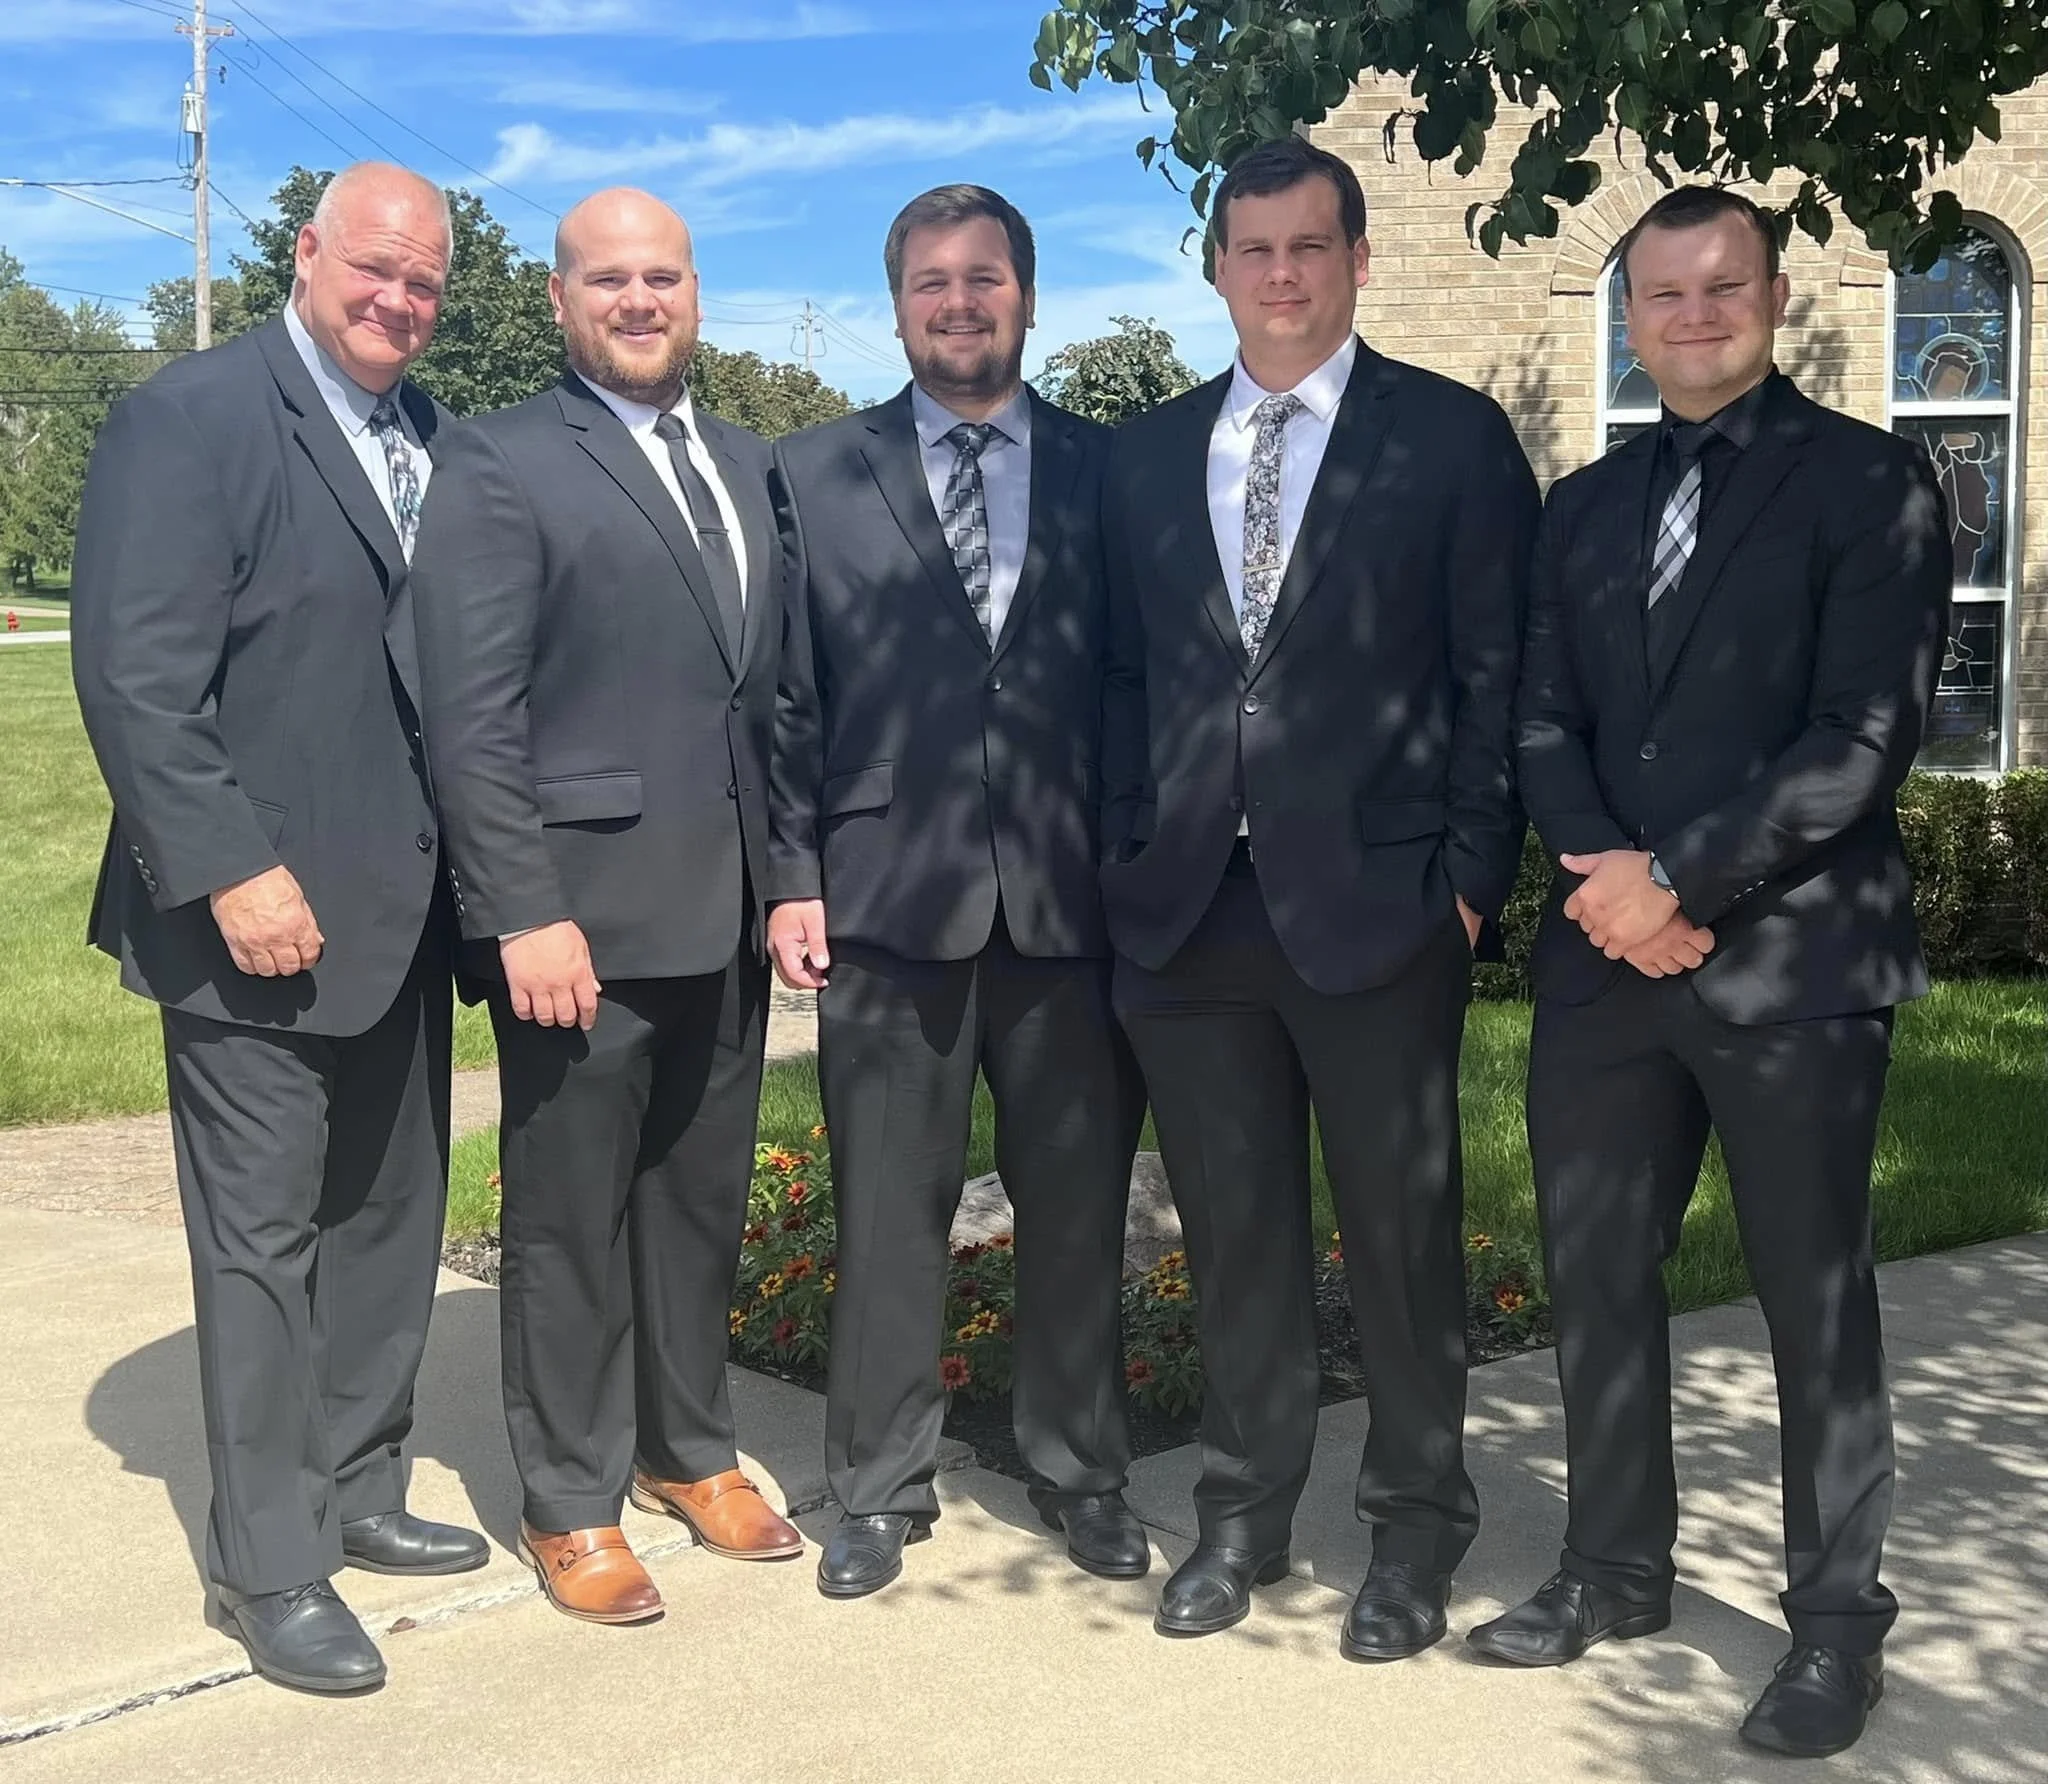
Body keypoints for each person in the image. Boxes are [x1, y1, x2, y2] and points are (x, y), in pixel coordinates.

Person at [1470, 185, 1949, 1763]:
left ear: (1775, 295)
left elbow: (1862, 742)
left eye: (1719, 288)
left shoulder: (1874, 486)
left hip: (1796, 971)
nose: (1691, 316)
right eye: (1662, 293)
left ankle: (1835, 1633)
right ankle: (1614, 1572)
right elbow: (1542, 721)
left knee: (1817, 1307)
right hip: (1611, 975)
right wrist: (1615, 886)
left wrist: (1680, 881)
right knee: (1601, 1286)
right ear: (1630, 310)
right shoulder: (1585, 505)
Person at [1099, 136, 1537, 1652]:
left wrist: (1473, 885)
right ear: (1215, 265)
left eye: (1309, 248)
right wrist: (1119, 848)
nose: (1280, 276)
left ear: (1359, 260)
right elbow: (1116, 681)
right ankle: (1242, 1520)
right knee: (1235, 1243)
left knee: (1404, 1247)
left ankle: (1415, 1537)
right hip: (1186, 918)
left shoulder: (1455, 441)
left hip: (1382, 907)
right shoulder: (1143, 456)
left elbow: (1499, 681)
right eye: (1253, 249)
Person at [70, 161, 485, 1694]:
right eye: (374, 267)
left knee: (387, 1223)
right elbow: (133, 674)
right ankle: (269, 1561)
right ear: (307, 254)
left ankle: (363, 1487)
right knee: (259, 1251)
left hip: (402, 919)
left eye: (426, 282)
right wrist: (231, 869)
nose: (398, 300)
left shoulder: (429, 440)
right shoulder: (192, 419)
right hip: (254, 919)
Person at [409, 188, 799, 1626]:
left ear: (697, 292)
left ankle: (686, 1451)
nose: (640, 301)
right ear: (563, 303)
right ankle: (568, 1495)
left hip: (730, 915)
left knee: (697, 1206)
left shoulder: (754, 466)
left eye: (664, 277)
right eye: (608, 280)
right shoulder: (502, 463)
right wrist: (521, 906)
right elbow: (472, 716)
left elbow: (771, 704)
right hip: (577, 926)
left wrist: (793, 884)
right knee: (570, 1224)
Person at [767, 184, 1147, 1600]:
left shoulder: (1118, 473)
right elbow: (787, 699)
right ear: (898, 304)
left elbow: (1144, 684)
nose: (960, 301)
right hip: (884, 907)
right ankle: (877, 1484)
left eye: (985, 277)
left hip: (1073, 911)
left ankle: (1081, 1470)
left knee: (1075, 1208)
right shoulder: (811, 473)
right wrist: (791, 875)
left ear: (1028, 296)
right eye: (932, 281)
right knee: (886, 1211)